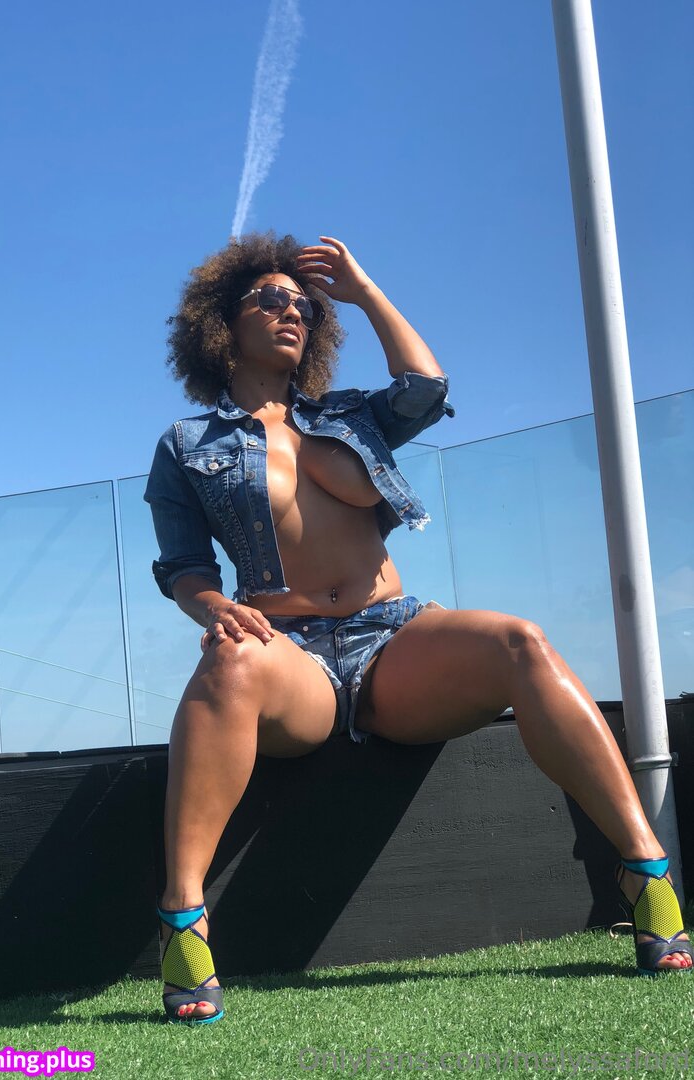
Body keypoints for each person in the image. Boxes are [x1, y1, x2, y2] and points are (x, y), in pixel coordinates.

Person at [143, 231, 691, 1024]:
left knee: (520, 641)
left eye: (303, 305)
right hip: (290, 658)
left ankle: (644, 871)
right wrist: (213, 607)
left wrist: (363, 293)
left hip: (391, 641)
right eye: (270, 298)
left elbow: (425, 387)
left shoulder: (348, 416)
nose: (292, 311)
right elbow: (184, 567)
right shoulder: (187, 446)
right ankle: (183, 915)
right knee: (227, 663)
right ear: (222, 322)